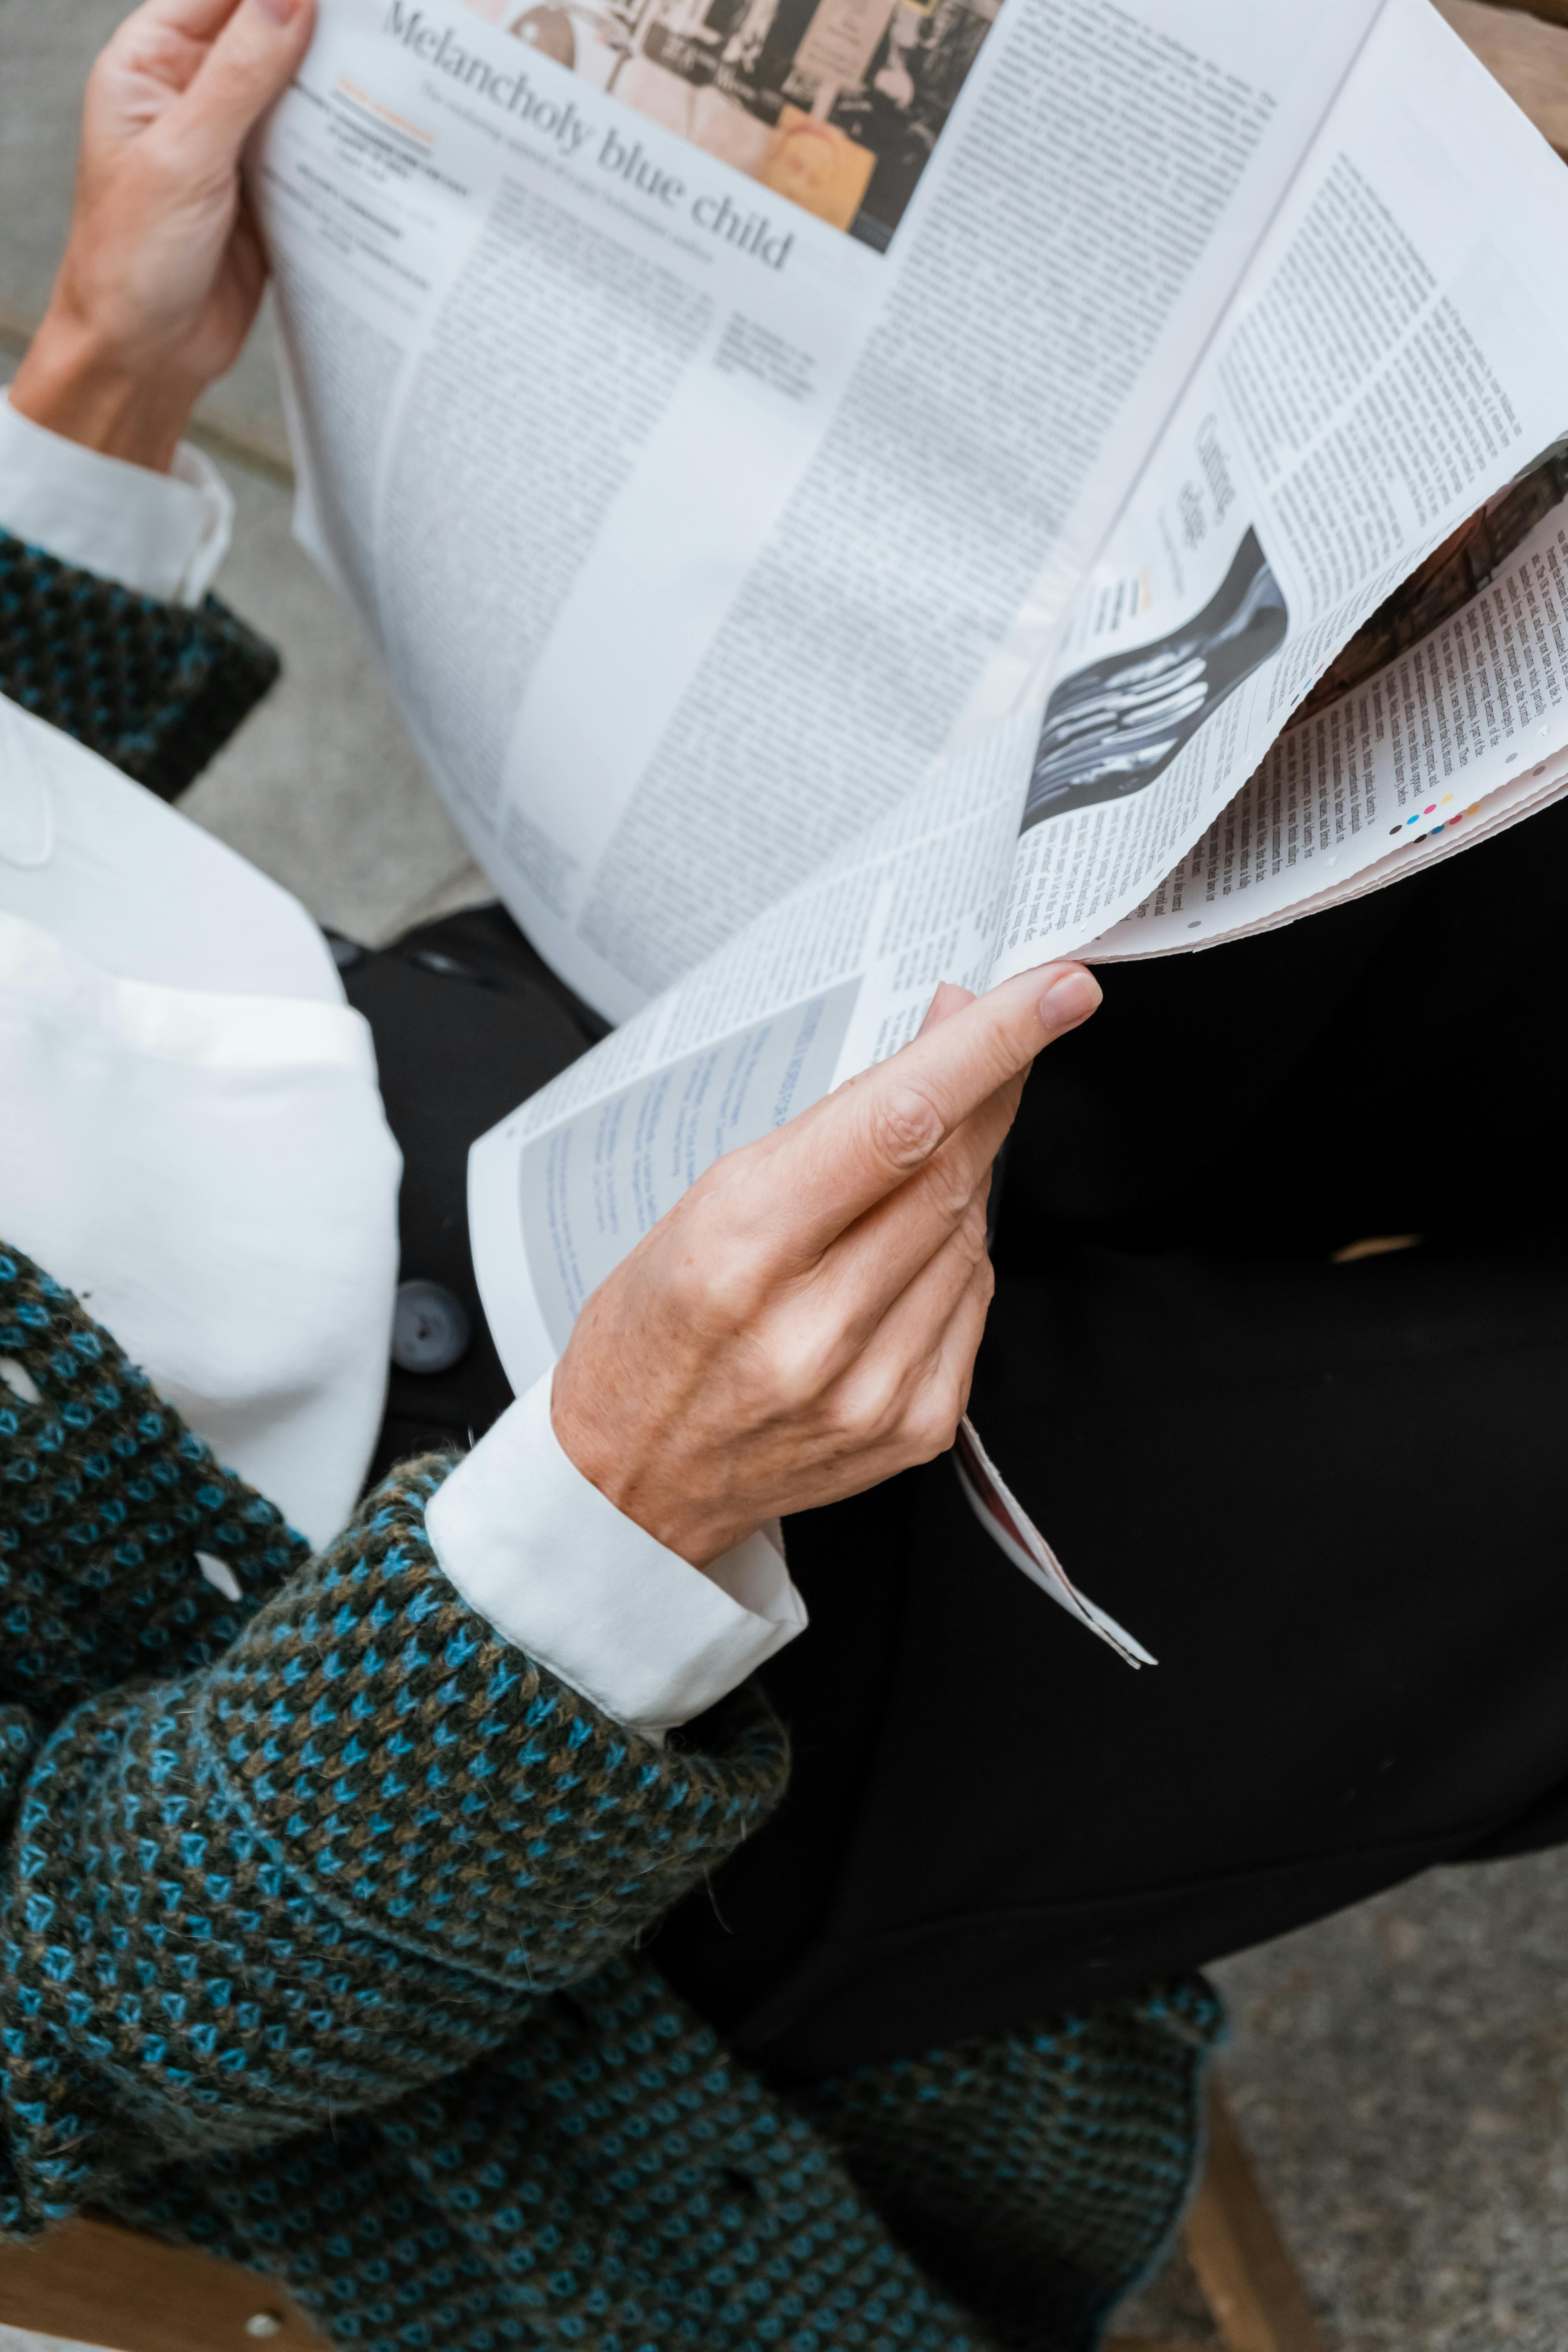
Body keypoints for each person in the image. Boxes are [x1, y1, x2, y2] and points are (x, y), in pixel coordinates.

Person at [5, 4, 1568, 2346]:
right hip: (528, 1708)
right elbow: (62, 2022)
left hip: (520, 1070)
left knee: (1427, 829)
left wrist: (89, 414)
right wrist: (617, 1500)